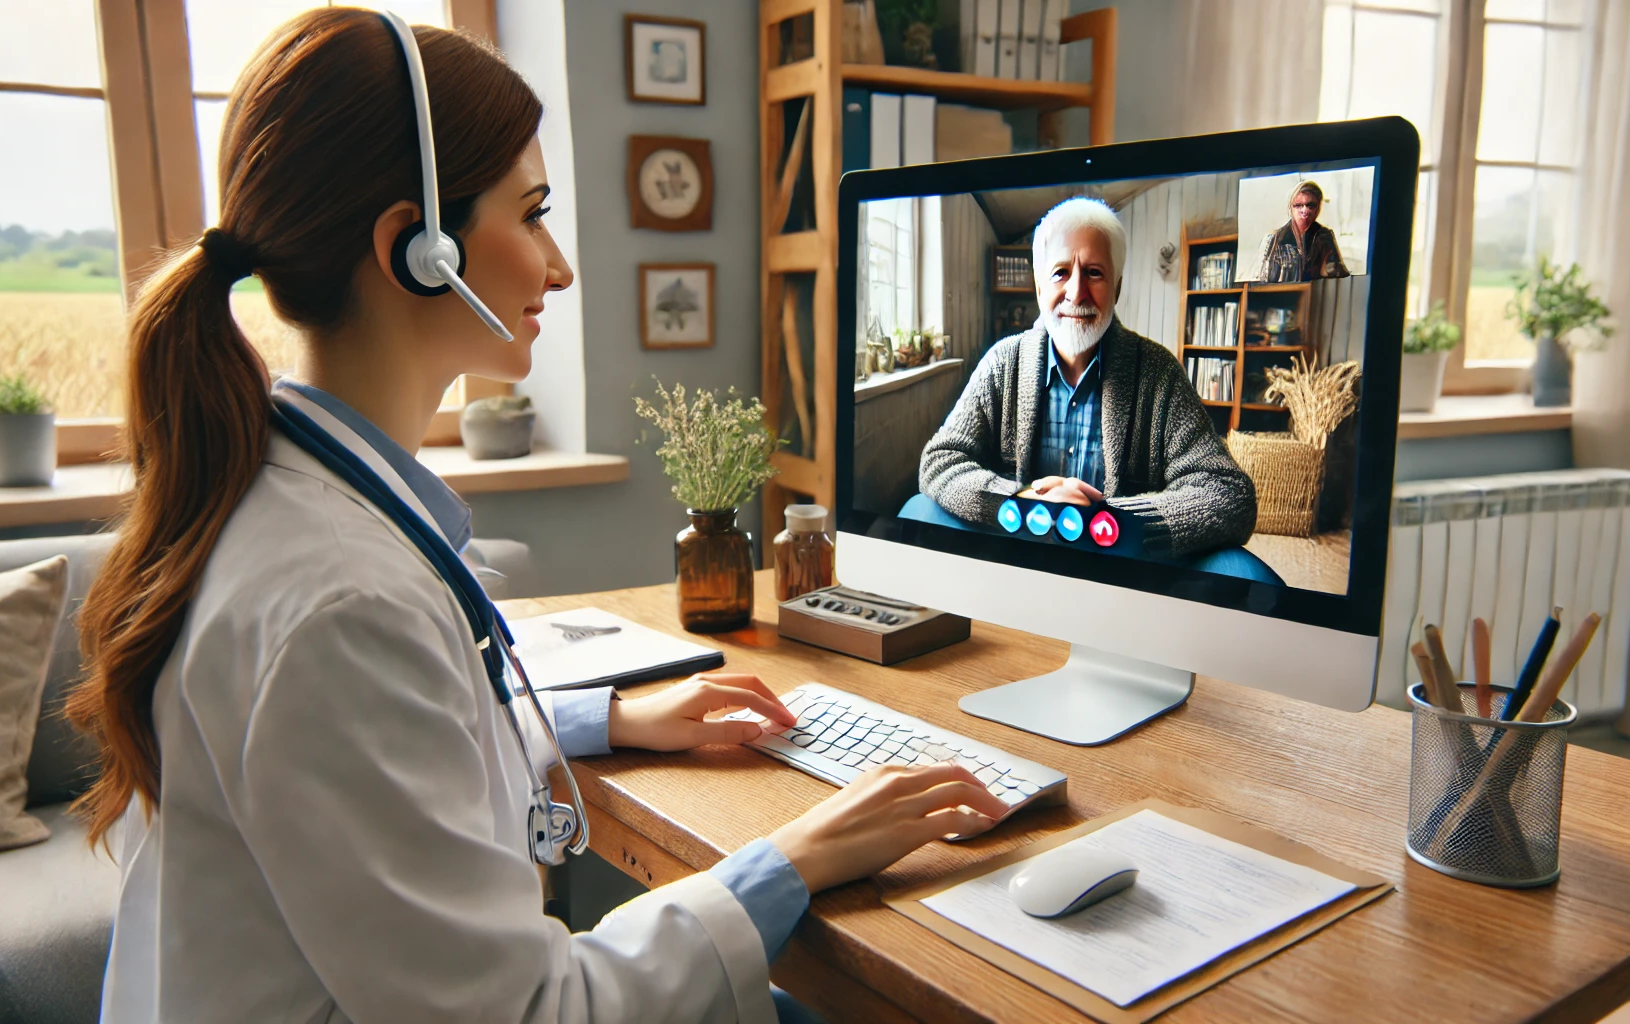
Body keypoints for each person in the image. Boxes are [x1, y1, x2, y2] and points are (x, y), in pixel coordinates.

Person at [67, 11, 1004, 1023]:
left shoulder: (285, 496)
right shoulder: (342, 603)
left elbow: (395, 753)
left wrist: (603, 719)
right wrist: (794, 857)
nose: (559, 266)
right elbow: (526, 1011)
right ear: (416, 248)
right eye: (532, 215)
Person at [913, 197, 1259, 561]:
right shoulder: (1003, 362)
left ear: (1117, 288)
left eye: (1094, 273)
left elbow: (1230, 493)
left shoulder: (1158, 373)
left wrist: (1107, 519)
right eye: (1060, 272)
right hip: (1016, 560)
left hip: (1116, 569)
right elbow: (940, 460)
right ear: (1039, 287)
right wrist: (1019, 502)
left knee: (1241, 568)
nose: (1076, 292)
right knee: (917, 512)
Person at [1254, 180, 1350, 283]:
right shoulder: (1274, 240)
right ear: (1291, 207)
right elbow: (1262, 280)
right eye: (1298, 205)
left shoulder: (1324, 236)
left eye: (1310, 206)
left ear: (1318, 208)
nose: (1305, 211)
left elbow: (1336, 276)